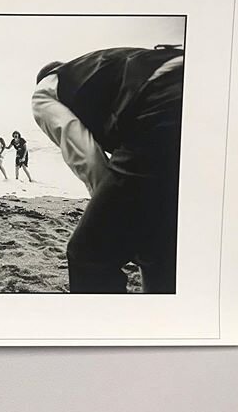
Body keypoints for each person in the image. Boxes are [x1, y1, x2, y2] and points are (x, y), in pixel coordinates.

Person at [32, 45, 184, 294]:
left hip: (160, 102)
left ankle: (108, 328)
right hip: (193, 86)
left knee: (89, 255)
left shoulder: (44, 92)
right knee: (160, 246)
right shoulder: (103, 72)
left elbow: (88, 158)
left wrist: (114, 214)